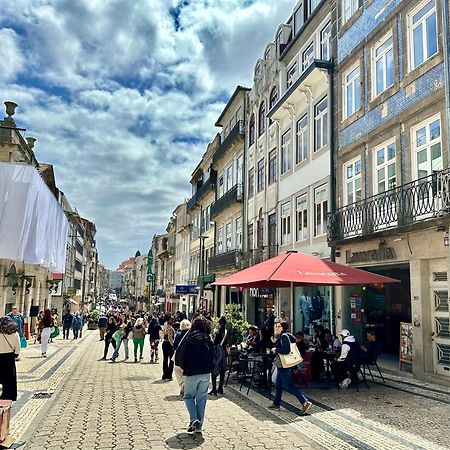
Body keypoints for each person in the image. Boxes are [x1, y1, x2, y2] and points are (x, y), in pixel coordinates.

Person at [177, 316, 214, 434]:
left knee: (188, 396)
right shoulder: (208, 338)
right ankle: (198, 427)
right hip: (206, 372)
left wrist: (183, 367)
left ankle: (194, 419)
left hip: (191, 372)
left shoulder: (188, 338)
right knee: (202, 399)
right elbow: (212, 355)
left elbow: (182, 354)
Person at [268, 321, 312, 414]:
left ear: (283, 327)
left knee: (288, 385)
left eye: (278, 326)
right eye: (276, 326)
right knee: (278, 384)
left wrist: (276, 349)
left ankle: (304, 402)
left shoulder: (284, 336)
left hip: (284, 366)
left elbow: (286, 350)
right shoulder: (285, 336)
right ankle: (276, 403)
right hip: (282, 365)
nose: (276, 328)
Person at [0, 316, 20, 401]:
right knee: (10, 377)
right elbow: (18, 345)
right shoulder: (14, 333)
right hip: (9, 357)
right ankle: (9, 395)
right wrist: (16, 354)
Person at [210, 316, 228, 396]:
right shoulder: (226, 331)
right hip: (224, 351)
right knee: (222, 370)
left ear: (219, 323)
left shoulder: (218, 331)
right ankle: (220, 387)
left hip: (218, 352)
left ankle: (214, 389)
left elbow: (215, 342)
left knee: (214, 369)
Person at [173, 319, 191, 396]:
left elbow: (174, 346)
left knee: (177, 370)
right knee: (185, 372)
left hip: (179, 357)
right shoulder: (191, 334)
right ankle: (185, 385)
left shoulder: (178, 334)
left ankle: (182, 384)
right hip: (189, 357)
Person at [162, 315, 175, 380]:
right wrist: (174, 345)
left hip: (164, 343)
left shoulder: (165, 324)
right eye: (172, 319)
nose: (173, 320)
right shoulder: (169, 327)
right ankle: (169, 375)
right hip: (168, 344)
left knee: (165, 359)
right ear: (168, 320)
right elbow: (170, 338)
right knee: (172, 360)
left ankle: (164, 374)